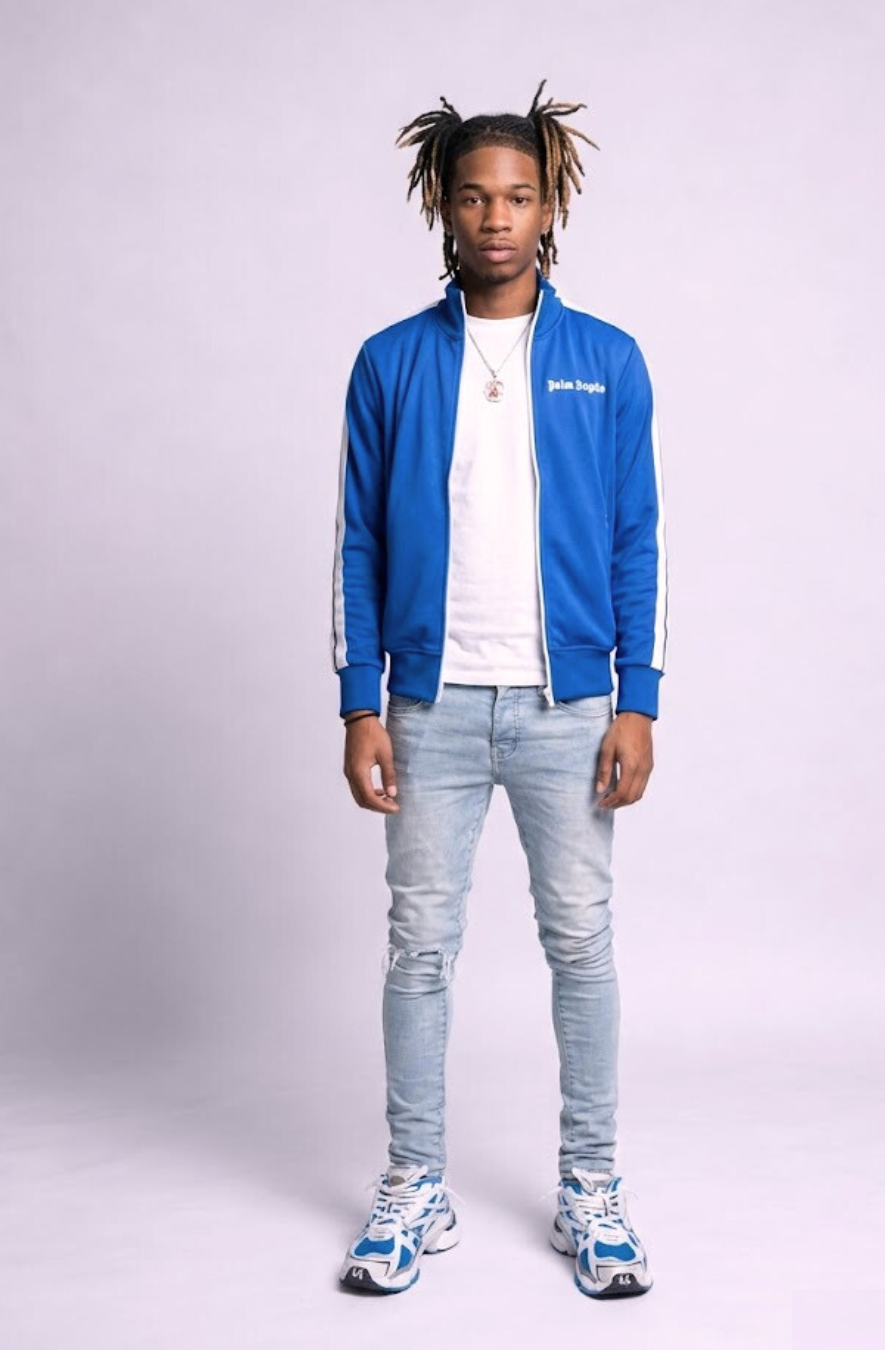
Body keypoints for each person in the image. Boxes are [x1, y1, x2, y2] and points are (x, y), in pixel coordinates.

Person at [331, 79, 668, 1299]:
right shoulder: (389, 362)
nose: (495, 217)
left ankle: (592, 1187)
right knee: (419, 948)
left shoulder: (606, 362)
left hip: (566, 707)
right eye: (474, 196)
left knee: (580, 945)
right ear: (442, 206)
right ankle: (413, 1182)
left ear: (549, 207)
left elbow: (637, 538)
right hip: (428, 709)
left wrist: (638, 699)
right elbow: (357, 543)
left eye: (518, 196)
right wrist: (359, 702)